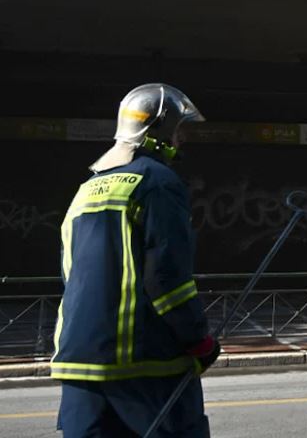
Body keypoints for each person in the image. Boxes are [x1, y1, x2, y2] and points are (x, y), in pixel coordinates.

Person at [52, 84, 220, 437]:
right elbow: (166, 278)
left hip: (77, 361)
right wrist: (199, 341)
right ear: (159, 129)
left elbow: (71, 273)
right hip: (143, 364)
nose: (182, 139)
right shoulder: (158, 182)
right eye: (179, 129)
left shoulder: (85, 189)